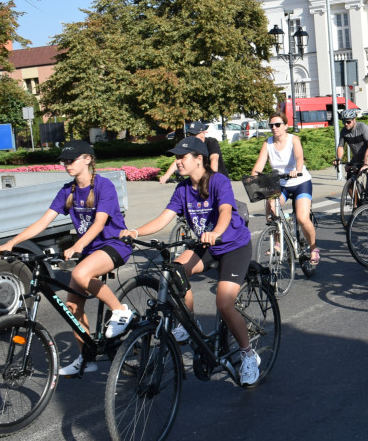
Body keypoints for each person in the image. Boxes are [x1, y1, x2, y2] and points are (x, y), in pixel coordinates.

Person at [0, 140, 134, 376]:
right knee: (72, 307)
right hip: (89, 250)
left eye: (71, 160)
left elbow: (99, 223)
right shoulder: (68, 191)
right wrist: (11, 243)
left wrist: (77, 245)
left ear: (87, 159)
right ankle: (86, 359)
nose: (66, 164)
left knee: (80, 273)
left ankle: (120, 310)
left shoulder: (104, 187)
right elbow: (43, 222)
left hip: (114, 244)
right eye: (63, 160)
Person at [126, 137, 260, 386]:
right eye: (176, 158)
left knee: (224, 303)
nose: (177, 162)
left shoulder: (219, 181)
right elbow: (163, 218)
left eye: (182, 157)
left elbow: (225, 212)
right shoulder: (182, 189)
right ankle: (190, 322)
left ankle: (249, 354)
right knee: (175, 272)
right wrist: (134, 232)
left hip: (233, 245)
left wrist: (217, 232)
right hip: (207, 245)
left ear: (199, 159)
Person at [252, 112, 319, 266]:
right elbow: (259, 165)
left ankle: (314, 248)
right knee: (271, 208)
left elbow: (299, 157)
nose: (274, 128)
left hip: (300, 181)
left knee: (302, 218)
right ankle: (278, 242)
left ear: (286, 126)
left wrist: (297, 169)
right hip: (280, 183)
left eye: (277, 124)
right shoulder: (267, 144)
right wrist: (253, 179)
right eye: (271, 125)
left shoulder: (293, 139)